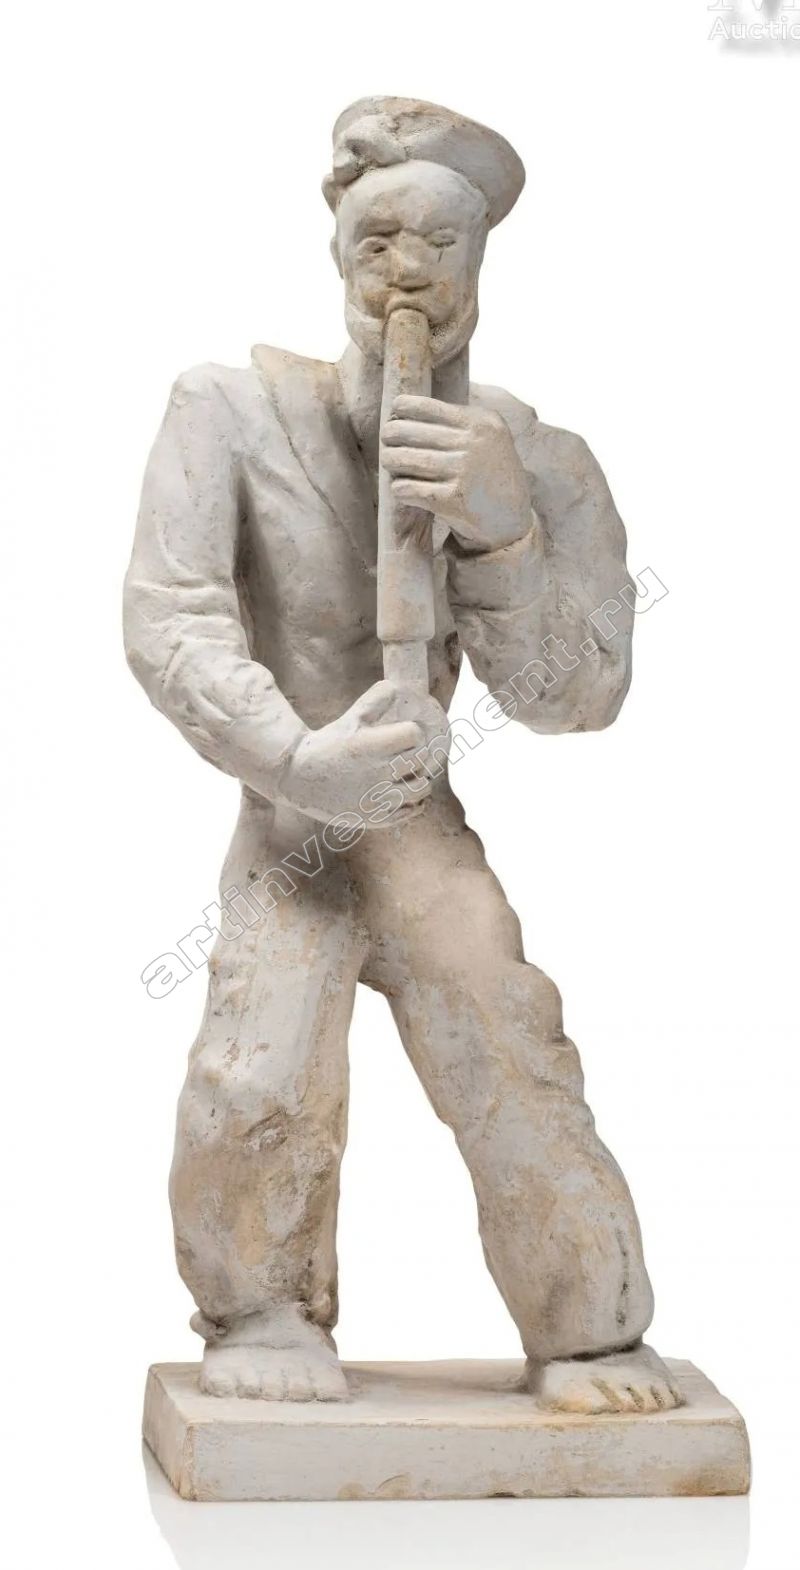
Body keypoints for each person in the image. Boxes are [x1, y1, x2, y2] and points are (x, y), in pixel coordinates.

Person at [124, 97, 680, 1413]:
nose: (407, 272)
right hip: (297, 819)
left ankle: (589, 1329)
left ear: (481, 260)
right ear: (337, 257)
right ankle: (261, 1314)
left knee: (509, 1038)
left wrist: (504, 535)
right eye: (377, 241)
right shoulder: (231, 411)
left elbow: (577, 694)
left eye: (439, 240)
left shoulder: (534, 456)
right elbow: (171, 618)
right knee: (259, 1063)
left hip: (418, 822)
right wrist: (294, 755)